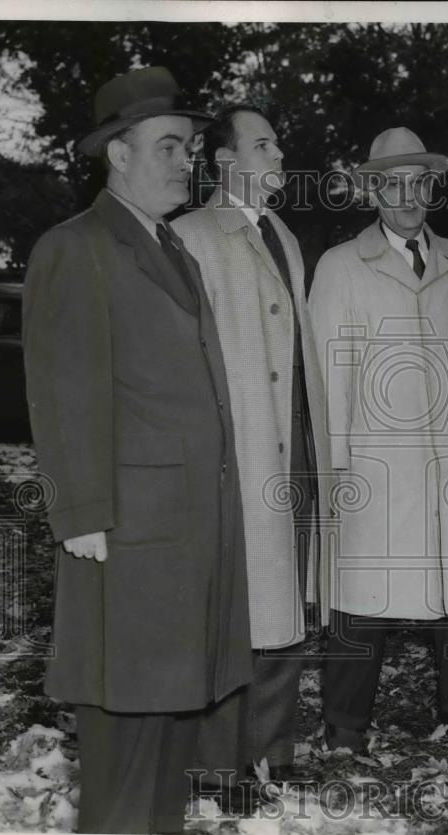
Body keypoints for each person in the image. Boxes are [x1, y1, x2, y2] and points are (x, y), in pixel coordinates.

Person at [22, 67, 252, 834]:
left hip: (189, 528)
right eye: (166, 146)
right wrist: (81, 512)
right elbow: (64, 390)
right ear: (116, 154)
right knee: (124, 726)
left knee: (172, 718)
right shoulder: (76, 247)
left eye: (187, 147)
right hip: (125, 532)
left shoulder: (172, 248)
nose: (183, 160)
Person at [308, 127, 448, 746]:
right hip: (377, 464)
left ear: (432, 187)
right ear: (373, 190)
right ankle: (346, 728)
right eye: (392, 183)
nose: (407, 196)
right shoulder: (342, 267)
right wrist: (342, 465)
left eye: (418, 183)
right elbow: (327, 373)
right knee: (362, 593)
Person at [172, 105, 332, 780]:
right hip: (232, 453)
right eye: (263, 144)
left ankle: (271, 753)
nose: (278, 154)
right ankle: (215, 766)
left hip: (289, 449)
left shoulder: (285, 236)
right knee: (230, 606)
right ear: (225, 161)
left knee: (282, 604)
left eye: (278, 141)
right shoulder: (189, 236)